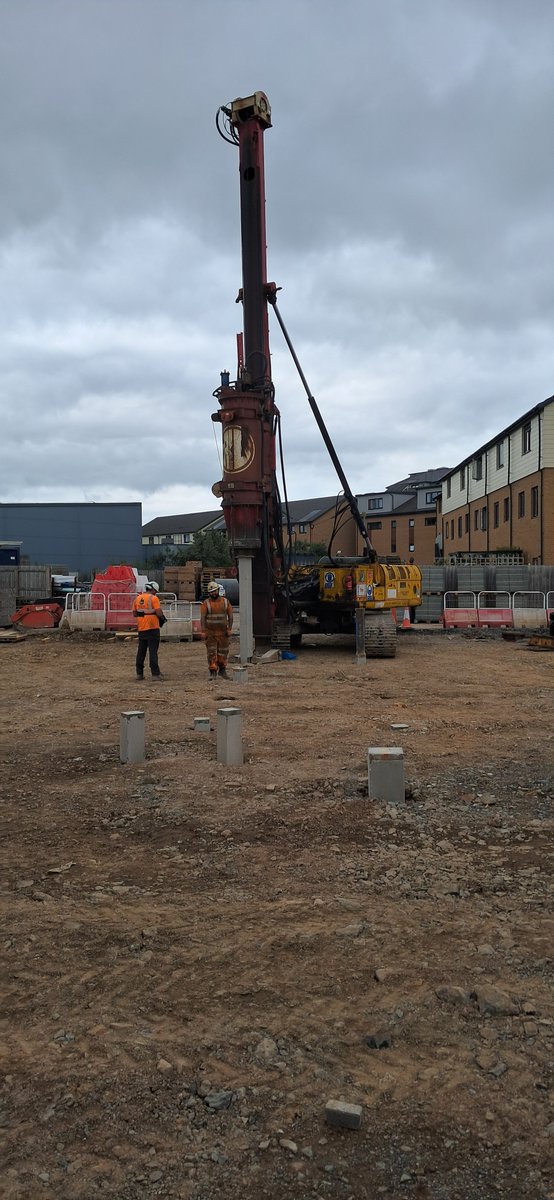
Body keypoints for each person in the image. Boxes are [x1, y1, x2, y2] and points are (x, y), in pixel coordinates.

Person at [132, 581, 166, 680]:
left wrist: (143, 615)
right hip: (152, 628)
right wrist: (162, 618)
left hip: (141, 627)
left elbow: (134, 613)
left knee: (141, 651)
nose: (156, 593)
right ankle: (155, 674)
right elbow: (158, 612)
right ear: (153, 589)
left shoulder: (137, 598)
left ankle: (139, 673)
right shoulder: (154, 598)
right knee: (153, 651)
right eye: (155, 591)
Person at [200, 579, 233, 681]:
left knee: (223, 652)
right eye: (211, 592)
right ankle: (213, 672)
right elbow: (203, 618)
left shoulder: (225, 602)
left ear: (218, 591)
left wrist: (229, 629)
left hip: (223, 634)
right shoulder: (206, 603)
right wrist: (203, 631)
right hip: (211, 634)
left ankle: (222, 671)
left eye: (214, 591)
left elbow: (230, 616)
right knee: (211, 653)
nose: (213, 593)